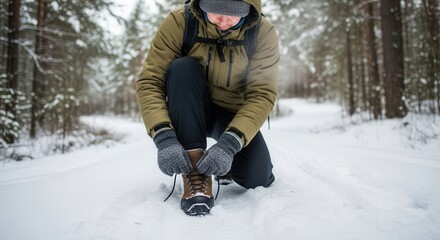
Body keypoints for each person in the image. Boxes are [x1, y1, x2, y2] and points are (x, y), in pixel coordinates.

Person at [136, 0, 279, 216]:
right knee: (183, 68)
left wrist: (230, 145)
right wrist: (163, 138)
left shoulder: (262, 32)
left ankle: (222, 165)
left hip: (231, 116)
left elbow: (261, 94)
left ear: (248, 10)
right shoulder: (180, 22)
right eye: (215, 12)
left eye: (232, 14)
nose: (222, 21)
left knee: (257, 177)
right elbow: (150, 81)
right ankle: (196, 173)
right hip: (189, 108)